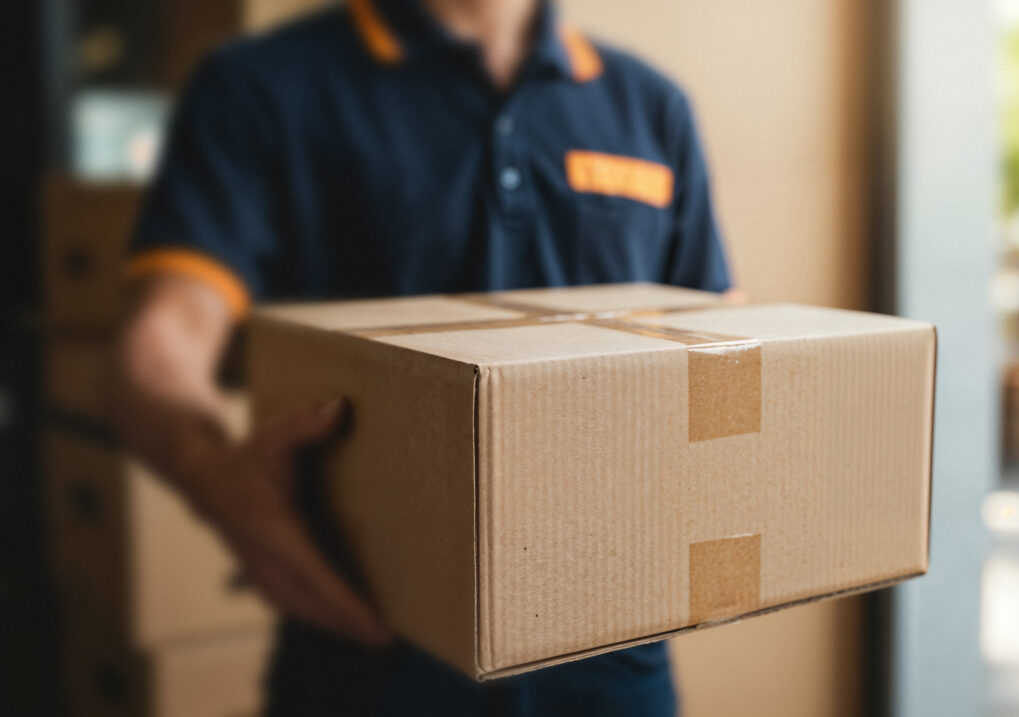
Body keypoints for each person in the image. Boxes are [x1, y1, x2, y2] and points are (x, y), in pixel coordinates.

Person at [111, 0, 733, 714]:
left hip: (614, 647)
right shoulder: (266, 86)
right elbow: (163, 335)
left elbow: (714, 338)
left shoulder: (650, 106)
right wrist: (211, 473)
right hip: (372, 649)